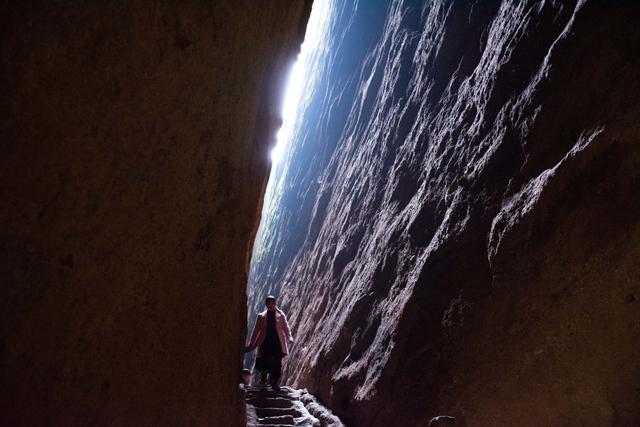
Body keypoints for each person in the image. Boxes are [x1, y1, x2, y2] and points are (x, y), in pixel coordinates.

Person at [245, 295, 294, 391]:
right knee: (265, 361)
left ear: (275, 303)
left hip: (278, 343)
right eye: (269, 303)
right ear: (266, 304)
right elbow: (256, 331)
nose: (271, 305)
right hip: (265, 343)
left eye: (272, 303)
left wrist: (289, 337)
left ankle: (274, 383)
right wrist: (252, 343)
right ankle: (263, 379)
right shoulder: (261, 316)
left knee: (277, 364)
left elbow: (286, 327)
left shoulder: (281, 315)